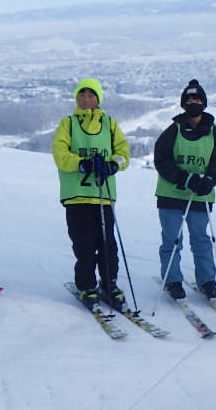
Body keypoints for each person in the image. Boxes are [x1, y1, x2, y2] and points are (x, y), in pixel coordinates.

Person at [52, 78, 130, 308]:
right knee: (84, 244)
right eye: (82, 95)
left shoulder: (110, 124)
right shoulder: (68, 123)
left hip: (103, 195)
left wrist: (113, 165)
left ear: (98, 99)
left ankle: (109, 284)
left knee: (108, 244)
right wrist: (82, 163)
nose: (86, 100)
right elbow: (60, 154)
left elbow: (123, 152)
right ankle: (86, 286)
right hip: (76, 195)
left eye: (91, 95)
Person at [154, 79, 216, 300]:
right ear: (183, 104)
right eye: (189, 100)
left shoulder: (214, 132)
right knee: (172, 239)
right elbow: (162, 160)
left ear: (204, 103)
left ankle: (207, 280)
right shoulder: (172, 130)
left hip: (201, 194)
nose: (193, 103)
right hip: (171, 194)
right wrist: (185, 178)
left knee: (201, 239)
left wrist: (210, 180)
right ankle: (173, 280)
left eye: (197, 99)